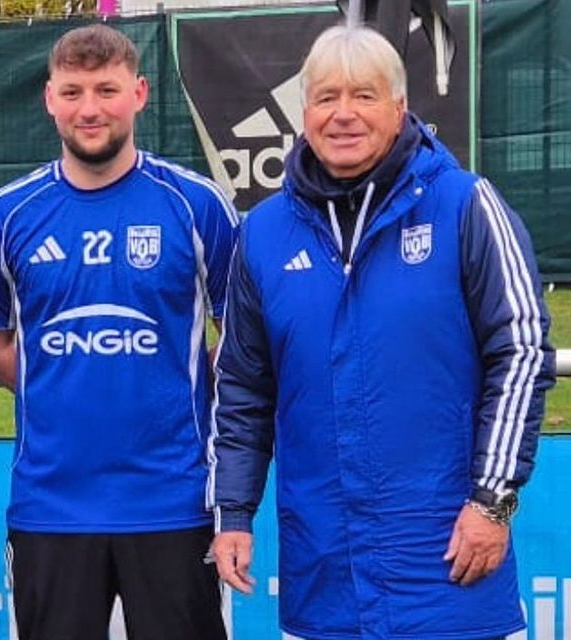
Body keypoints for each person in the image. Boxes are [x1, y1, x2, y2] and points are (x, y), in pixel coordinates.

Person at [209, 24, 556, 640]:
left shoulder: (466, 205)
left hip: (450, 568)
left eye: (365, 96)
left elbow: (523, 353)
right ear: (304, 112)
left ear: (399, 108)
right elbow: (242, 386)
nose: (344, 114)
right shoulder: (261, 235)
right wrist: (234, 512)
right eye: (326, 97)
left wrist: (491, 500)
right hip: (325, 580)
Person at [0, 24, 238, 640]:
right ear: (49, 98)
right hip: (51, 507)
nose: (90, 108)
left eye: (107, 89)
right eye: (74, 91)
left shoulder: (196, 206)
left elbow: (241, 341)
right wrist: (60, 384)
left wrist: (173, 375)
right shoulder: (7, 215)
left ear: (139, 93)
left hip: (174, 502)